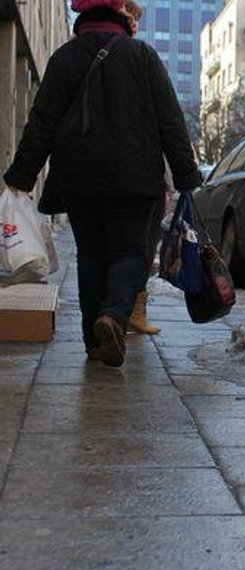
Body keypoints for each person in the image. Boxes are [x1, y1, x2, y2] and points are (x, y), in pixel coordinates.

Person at [3, 0, 201, 367]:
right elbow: (170, 122)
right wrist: (187, 176)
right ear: (120, 19)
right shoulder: (142, 56)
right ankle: (111, 317)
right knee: (130, 253)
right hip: (135, 178)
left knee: (91, 256)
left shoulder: (64, 58)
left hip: (78, 179)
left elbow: (42, 122)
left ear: (83, 18)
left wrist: (20, 178)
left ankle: (94, 346)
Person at [120, 0, 162, 335]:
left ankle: (135, 308)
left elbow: (166, 117)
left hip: (146, 169)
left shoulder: (144, 57)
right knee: (126, 247)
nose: (132, 22)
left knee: (145, 246)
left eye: (135, 17)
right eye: (127, 15)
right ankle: (116, 310)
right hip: (126, 170)